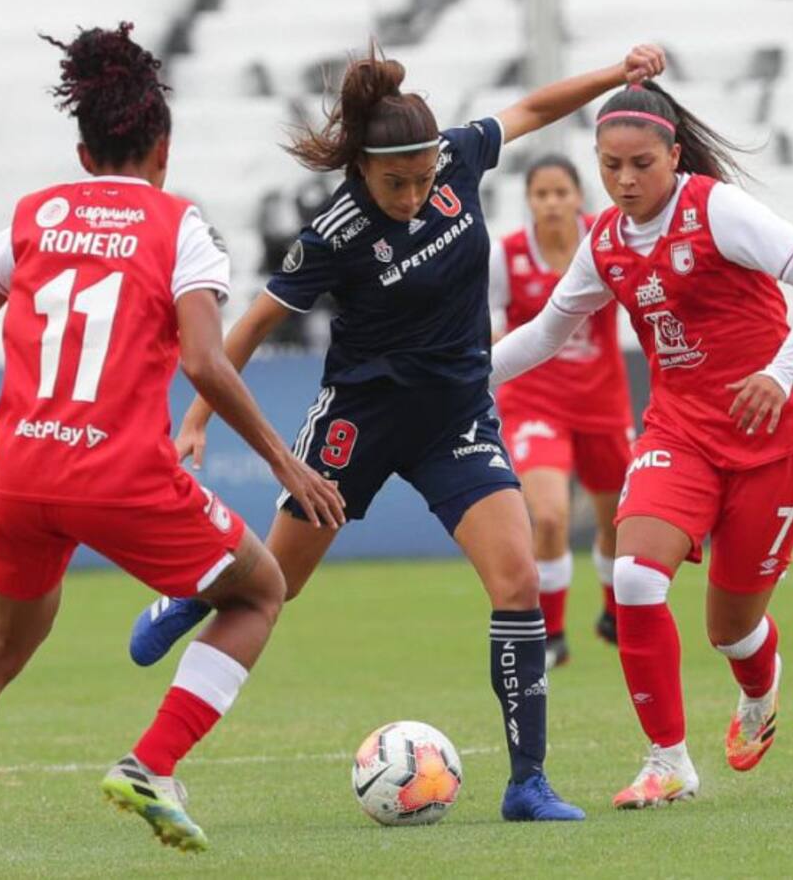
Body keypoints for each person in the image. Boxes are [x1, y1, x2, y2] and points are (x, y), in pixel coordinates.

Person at [126, 42, 667, 821]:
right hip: (359, 426)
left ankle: (528, 783)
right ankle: (195, 593)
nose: (414, 193)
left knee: (517, 584)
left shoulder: (455, 157)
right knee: (274, 586)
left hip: (456, 417)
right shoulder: (334, 234)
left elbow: (537, 107)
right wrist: (199, 414)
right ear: (360, 171)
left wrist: (618, 75)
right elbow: (251, 324)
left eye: (422, 179)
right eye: (395, 183)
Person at [0, 24, 345, 875]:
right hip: (120, 475)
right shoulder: (180, 227)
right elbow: (202, 360)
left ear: (83, 150)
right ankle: (153, 762)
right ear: (164, 148)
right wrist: (283, 462)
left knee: (4, 642)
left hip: (22, 473)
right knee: (259, 590)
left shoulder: (32, 218)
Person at [490, 80, 793, 809]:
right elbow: (544, 335)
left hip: (774, 439)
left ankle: (760, 684)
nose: (624, 181)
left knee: (731, 631)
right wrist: (456, 383)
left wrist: (779, 376)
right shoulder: (605, 243)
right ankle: (668, 762)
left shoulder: (716, 210)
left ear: (674, 156)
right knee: (635, 580)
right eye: (610, 165)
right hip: (678, 433)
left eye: (641, 165)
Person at [488, 154, 634, 668]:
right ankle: (551, 637)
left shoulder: (608, 237)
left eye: (560, 193)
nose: (551, 203)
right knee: (548, 516)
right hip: (534, 399)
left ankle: (616, 614)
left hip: (602, 399)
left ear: (578, 196)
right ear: (528, 201)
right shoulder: (506, 256)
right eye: (540, 194)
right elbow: (486, 322)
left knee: (618, 518)